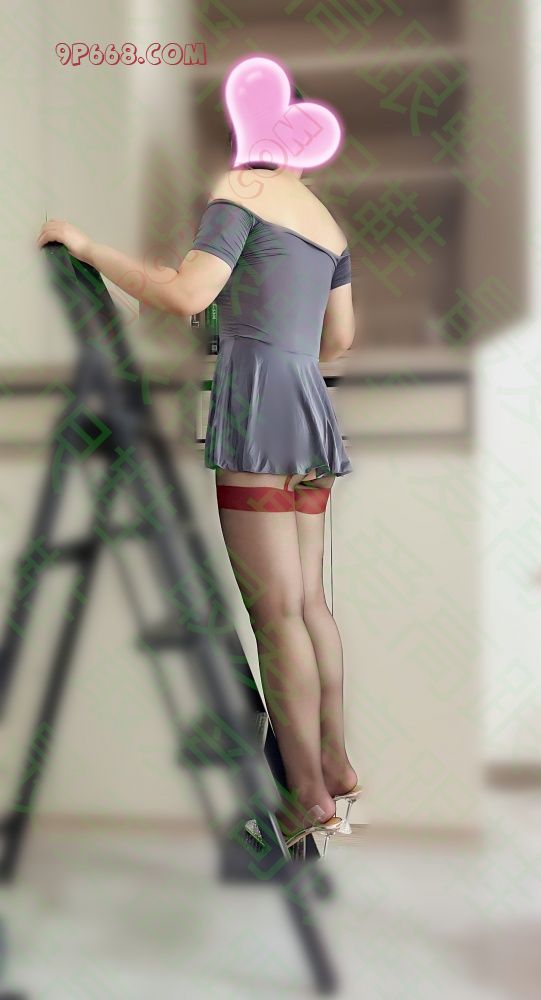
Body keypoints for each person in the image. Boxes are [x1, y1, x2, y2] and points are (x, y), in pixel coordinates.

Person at [35, 84, 361, 850]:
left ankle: (306, 797)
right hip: (311, 414)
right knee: (310, 605)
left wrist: (87, 248)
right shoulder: (325, 221)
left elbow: (187, 294)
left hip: (258, 414)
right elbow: (337, 341)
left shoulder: (238, 192)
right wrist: (270, 336)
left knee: (274, 616)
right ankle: (337, 766)